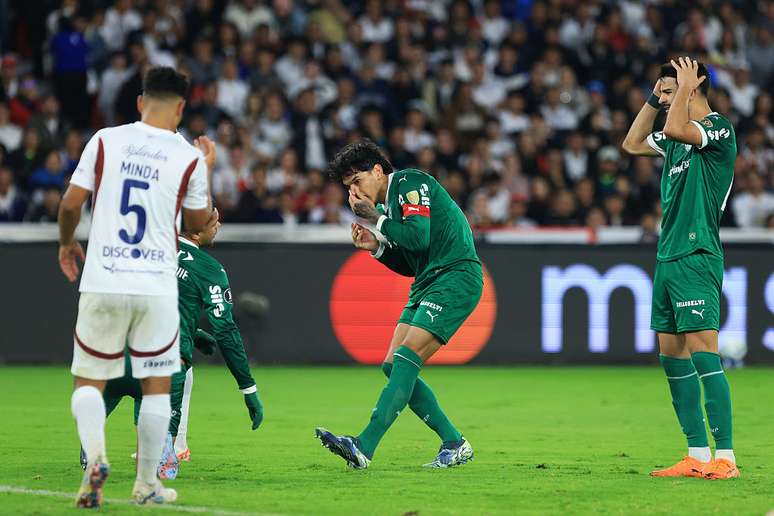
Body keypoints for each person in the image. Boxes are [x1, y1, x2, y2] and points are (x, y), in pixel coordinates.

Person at [57, 66, 214, 508]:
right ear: (182, 108)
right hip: (157, 286)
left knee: (88, 379)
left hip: (104, 277)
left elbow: (71, 203)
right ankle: (146, 483)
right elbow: (200, 225)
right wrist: (209, 169)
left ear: (140, 102)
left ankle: (95, 463)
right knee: (156, 385)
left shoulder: (105, 140)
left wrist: (67, 242)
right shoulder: (188, 157)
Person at [315, 139, 482, 469]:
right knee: (393, 364)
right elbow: (411, 260)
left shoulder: (410, 183)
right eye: (348, 188)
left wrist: (375, 218)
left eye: (357, 182)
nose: (354, 194)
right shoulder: (391, 206)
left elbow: (418, 238)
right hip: (427, 280)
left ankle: (364, 444)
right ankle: (454, 442)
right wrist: (377, 247)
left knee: (407, 356)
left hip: (455, 275)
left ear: (378, 171)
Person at [79, 209, 264, 480]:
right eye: (214, 220)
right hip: (163, 366)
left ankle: (91, 438)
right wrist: (248, 388)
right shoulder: (210, 269)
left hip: (116, 352)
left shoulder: (148, 248)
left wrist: (192, 329)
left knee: (113, 390)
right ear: (198, 230)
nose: (219, 225)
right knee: (162, 460)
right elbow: (226, 331)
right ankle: (160, 454)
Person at [622, 58, 738, 480]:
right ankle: (696, 455)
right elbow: (632, 143)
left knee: (704, 352)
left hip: (697, 254)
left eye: (671, 92)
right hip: (667, 256)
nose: (665, 100)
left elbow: (675, 128)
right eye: (663, 94)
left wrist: (683, 89)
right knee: (671, 356)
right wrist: (655, 98)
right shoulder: (673, 138)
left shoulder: (718, 129)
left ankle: (726, 458)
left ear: (696, 85)